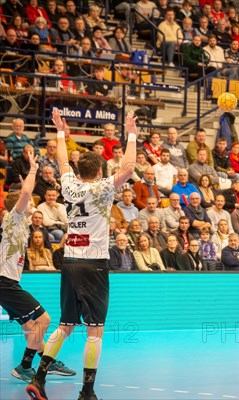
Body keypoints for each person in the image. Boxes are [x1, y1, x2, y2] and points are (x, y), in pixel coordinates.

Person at [26, 109, 138, 400]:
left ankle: (39, 379)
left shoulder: (69, 184)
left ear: (79, 172)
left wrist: (61, 131)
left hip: (70, 262)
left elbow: (63, 160)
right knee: (95, 330)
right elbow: (128, 167)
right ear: (99, 172)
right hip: (94, 264)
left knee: (65, 325)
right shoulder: (102, 188)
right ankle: (87, 391)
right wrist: (132, 133)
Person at [1, 150, 75, 383]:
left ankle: (47, 362)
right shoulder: (14, 219)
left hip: (8, 282)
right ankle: (24, 367)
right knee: (43, 320)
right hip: (5, 283)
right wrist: (33, 169)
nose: (33, 207)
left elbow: (23, 193)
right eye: (30, 204)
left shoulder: (20, 225)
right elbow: (24, 194)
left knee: (31, 327)